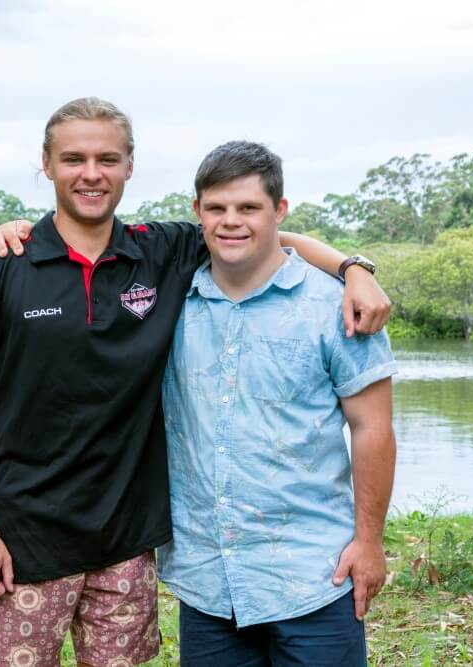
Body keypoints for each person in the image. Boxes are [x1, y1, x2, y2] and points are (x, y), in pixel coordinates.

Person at [0, 97, 390, 667]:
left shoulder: (161, 252)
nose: (91, 173)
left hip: (127, 548)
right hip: (23, 542)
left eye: (108, 158)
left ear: (130, 166)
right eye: (73, 158)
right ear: (46, 165)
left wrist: (354, 269)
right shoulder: (2, 264)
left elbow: (264, 235)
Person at [159, 141, 396, 666]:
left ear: (279, 211)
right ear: (197, 212)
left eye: (249, 208)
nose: (231, 222)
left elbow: (372, 429)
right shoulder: (168, 302)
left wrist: (370, 542)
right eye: (217, 208)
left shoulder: (337, 307)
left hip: (314, 573)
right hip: (207, 579)